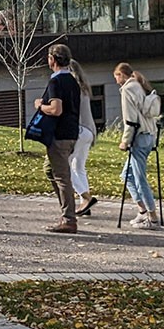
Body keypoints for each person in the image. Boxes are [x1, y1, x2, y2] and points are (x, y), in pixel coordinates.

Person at [35, 43, 81, 233]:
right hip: (71, 133)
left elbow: (56, 109)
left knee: (62, 176)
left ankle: (69, 219)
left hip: (59, 134)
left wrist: (39, 105)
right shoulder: (72, 80)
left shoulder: (56, 81)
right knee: (49, 170)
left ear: (52, 60)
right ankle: (66, 210)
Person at [116, 63, 160, 228]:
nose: (116, 82)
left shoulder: (127, 89)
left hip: (138, 137)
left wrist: (125, 141)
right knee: (126, 175)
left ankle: (153, 218)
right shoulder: (141, 87)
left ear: (121, 74)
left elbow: (131, 120)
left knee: (139, 178)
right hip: (149, 136)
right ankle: (142, 211)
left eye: (116, 77)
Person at [69, 60, 98, 216]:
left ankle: (85, 197)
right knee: (79, 167)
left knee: (66, 165)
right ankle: (84, 204)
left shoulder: (73, 89)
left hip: (79, 130)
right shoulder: (85, 88)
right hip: (89, 130)